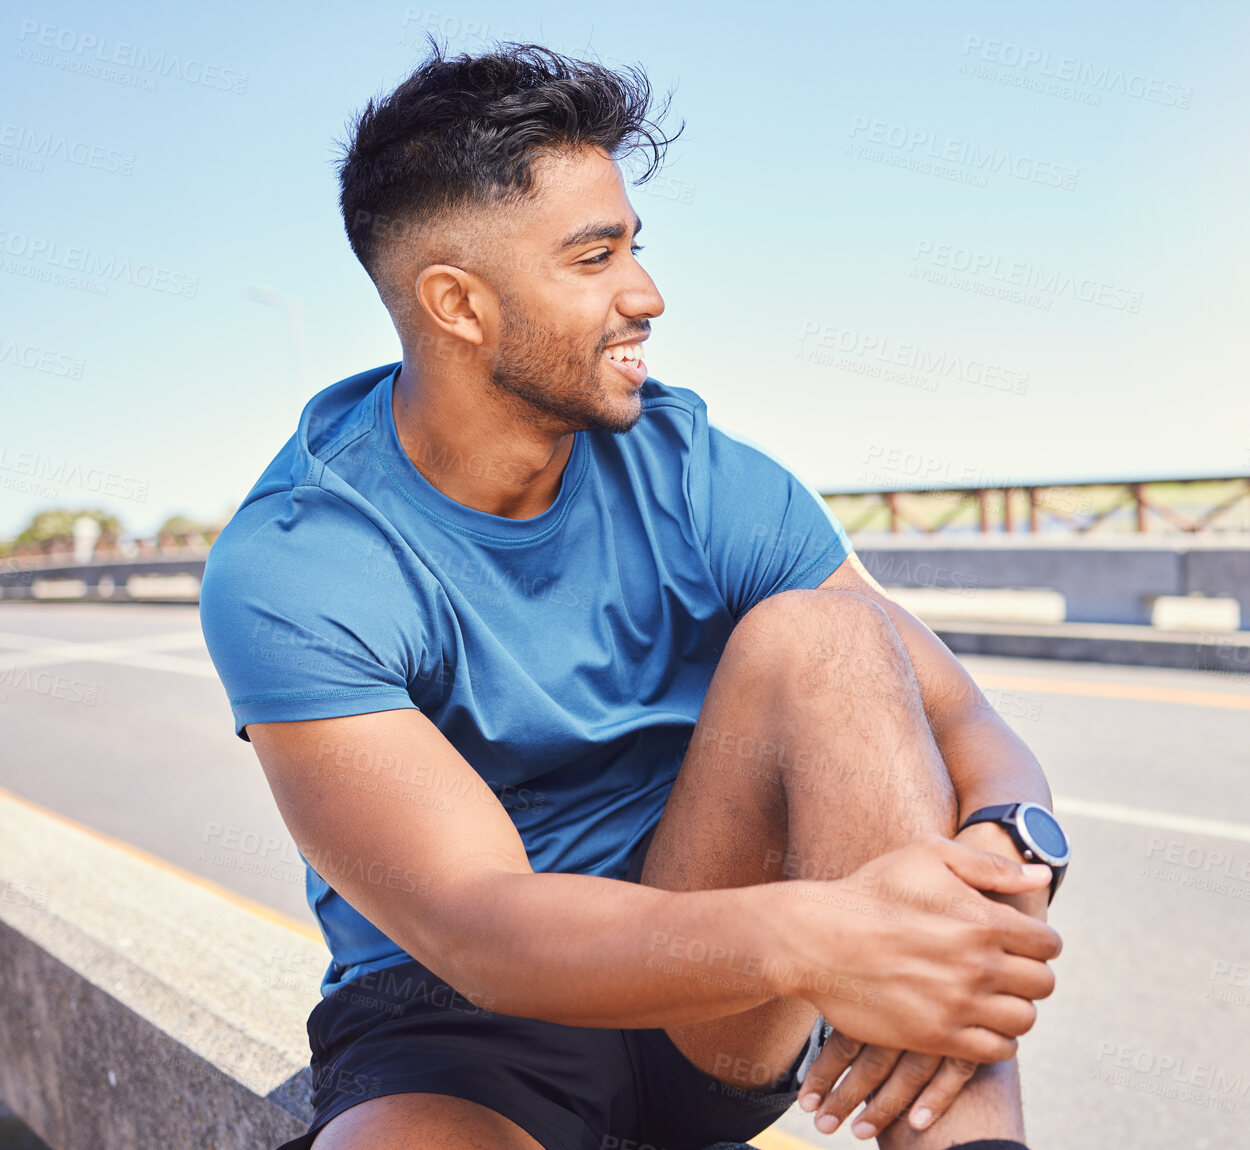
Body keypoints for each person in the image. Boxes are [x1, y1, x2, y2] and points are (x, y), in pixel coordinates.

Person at [200, 43, 1070, 1150]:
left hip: (713, 998)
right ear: (458, 305)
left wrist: (1007, 843)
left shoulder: (694, 469)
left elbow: (961, 720)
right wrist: (826, 933)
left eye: (634, 247)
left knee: (833, 635)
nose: (645, 294)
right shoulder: (302, 563)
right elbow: (485, 930)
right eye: (593, 257)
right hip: (461, 1021)